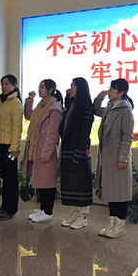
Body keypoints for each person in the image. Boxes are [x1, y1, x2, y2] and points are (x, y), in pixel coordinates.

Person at [93, 78, 135, 238]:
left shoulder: (126, 110)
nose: (109, 91)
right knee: (111, 190)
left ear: (121, 92)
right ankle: (112, 223)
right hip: (107, 156)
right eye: (110, 88)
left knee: (120, 192)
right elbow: (95, 109)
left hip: (118, 157)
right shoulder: (110, 107)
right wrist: (101, 96)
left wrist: (123, 158)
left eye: (112, 89)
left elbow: (127, 137)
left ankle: (120, 225)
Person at [23, 79, 64, 223]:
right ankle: (42, 209)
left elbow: (53, 134)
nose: (39, 89)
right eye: (39, 87)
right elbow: (29, 116)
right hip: (37, 148)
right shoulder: (41, 105)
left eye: (42, 87)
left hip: (46, 151)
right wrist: (29, 101)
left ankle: (48, 211)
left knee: (48, 182)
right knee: (41, 180)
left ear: (50, 90)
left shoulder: (55, 108)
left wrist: (46, 153)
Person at [58, 77, 94, 229]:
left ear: (80, 88)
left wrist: (79, 153)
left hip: (77, 150)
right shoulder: (72, 105)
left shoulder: (86, 108)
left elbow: (85, 133)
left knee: (81, 184)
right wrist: (68, 97)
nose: (70, 88)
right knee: (71, 184)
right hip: (68, 148)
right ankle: (74, 212)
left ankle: (83, 216)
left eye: (73, 86)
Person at [0, 74, 23, 220]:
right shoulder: (2, 101)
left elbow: (17, 128)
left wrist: (14, 148)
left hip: (10, 146)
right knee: (5, 176)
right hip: (0, 143)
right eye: (2, 84)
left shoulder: (15, 103)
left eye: (7, 84)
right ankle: (4, 206)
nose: (4, 86)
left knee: (10, 178)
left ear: (14, 86)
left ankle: (11, 209)